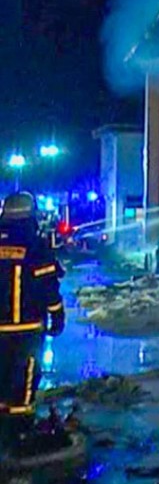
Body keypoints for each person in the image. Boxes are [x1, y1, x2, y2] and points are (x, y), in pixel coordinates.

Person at [0, 193, 65, 453]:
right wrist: (57, 316)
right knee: (23, 381)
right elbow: (49, 287)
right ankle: (18, 435)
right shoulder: (36, 246)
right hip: (25, 329)